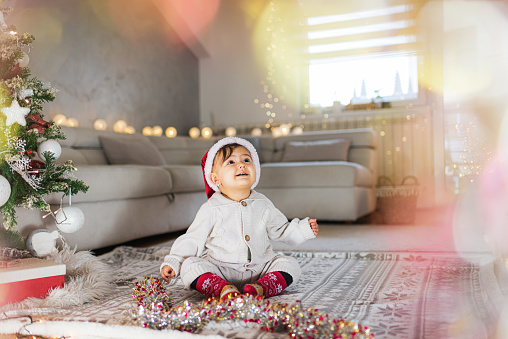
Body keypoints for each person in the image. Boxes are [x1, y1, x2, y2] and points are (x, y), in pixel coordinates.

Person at [160, 136, 319, 301]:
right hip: (220, 269)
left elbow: (281, 229)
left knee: (290, 264)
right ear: (215, 179)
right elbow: (192, 239)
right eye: (231, 162)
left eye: (246, 160)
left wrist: (302, 229)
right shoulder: (211, 208)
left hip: (261, 268)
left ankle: (262, 287)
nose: (241, 164)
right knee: (190, 266)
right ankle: (221, 288)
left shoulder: (263, 203)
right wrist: (175, 261)